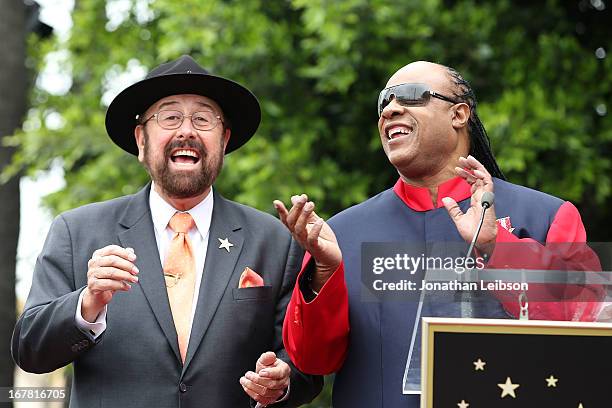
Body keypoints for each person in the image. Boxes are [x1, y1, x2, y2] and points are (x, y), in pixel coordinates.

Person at [274, 61, 605, 407]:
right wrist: (324, 272)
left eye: (410, 96)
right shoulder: (339, 234)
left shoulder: (546, 216)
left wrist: (497, 248)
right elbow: (313, 361)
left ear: (459, 114)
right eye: (383, 102)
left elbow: (587, 327)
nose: (390, 109)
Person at [11, 55, 322, 408]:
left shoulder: (275, 240)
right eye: (170, 117)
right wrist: (88, 303)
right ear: (141, 140)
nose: (186, 130)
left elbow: (306, 368)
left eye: (203, 119)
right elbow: (29, 350)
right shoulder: (77, 231)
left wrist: (280, 381)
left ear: (224, 140)